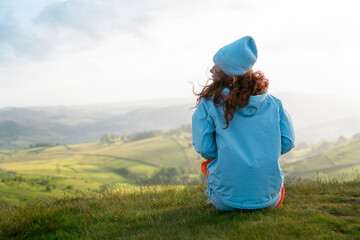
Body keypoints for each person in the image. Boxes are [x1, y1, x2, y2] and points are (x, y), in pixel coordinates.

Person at [192, 36, 295, 211]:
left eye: (216, 66)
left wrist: (229, 155)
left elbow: (205, 148)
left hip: (226, 201)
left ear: (227, 72)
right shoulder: (274, 103)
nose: (211, 70)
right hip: (270, 199)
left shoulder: (209, 103)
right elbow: (287, 142)